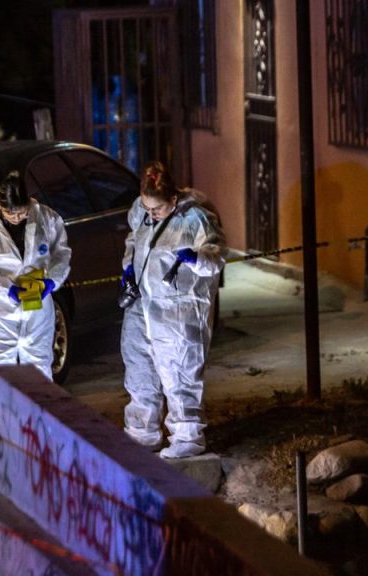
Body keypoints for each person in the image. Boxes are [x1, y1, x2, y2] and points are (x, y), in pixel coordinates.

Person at [120, 161, 226, 459]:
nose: (151, 215)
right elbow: (134, 240)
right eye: (147, 209)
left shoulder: (196, 219)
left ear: (174, 200)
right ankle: (142, 433)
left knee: (180, 371)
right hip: (143, 305)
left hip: (178, 311)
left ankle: (187, 437)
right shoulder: (141, 211)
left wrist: (195, 257)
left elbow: (217, 256)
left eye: (158, 210)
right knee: (140, 369)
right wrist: (129, 267)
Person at [0, 171, 71, 383]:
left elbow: (61, 253)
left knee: (39, 368)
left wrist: (52, 281)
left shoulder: (46, 218)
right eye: (11, 214)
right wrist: (4, 288)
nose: (17, 218)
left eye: (22, 213)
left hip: (37, 309)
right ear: (0, 208)